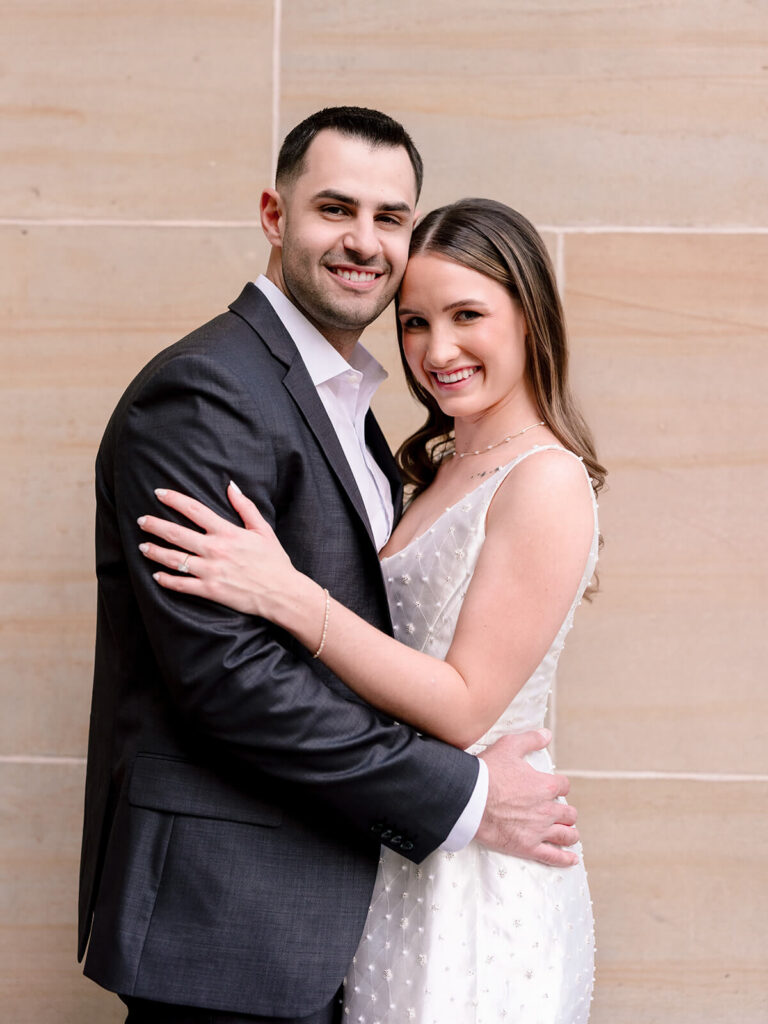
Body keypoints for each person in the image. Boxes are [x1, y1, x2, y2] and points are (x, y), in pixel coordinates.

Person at [78, 108, 581, 1024]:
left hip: (364, 891)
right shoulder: (206, 391)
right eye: (334, 209)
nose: (365, 242)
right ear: (275, 215)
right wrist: (462, 797)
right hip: (235, 912)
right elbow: (228, 675)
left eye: (390, 217)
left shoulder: (368, 418)